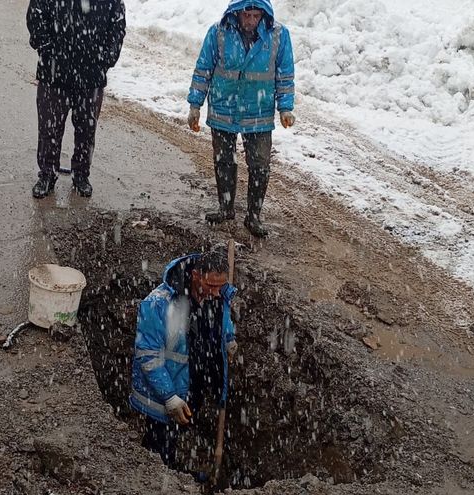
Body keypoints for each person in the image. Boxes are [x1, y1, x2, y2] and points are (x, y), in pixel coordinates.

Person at [187, 0, 295, 238]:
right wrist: (195, 104)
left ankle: (253, 216)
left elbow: (284, 74)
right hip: (223, 107)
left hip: (258, 111)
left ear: (263, 14)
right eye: (247, 15)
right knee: (224, 161)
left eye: (256, 16)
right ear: (236, 12)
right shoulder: (218, 32)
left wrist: (285, 108)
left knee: (260, 166)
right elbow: (203, 68)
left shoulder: (278, 35)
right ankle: (225, 208)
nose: (251, 21)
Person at [129, 249, 238, 469]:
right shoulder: (158, 304)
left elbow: (222, 318)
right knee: (160, 441)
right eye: (212, 286)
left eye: (221, 286)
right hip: (165, 389)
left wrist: (228, 338)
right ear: (196, 275)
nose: (217, 293)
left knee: (180, 429)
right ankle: (158, 474)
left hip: (193, 382)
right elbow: (148, 355)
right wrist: (169, 397)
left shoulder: (218, 294)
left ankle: (177, 466)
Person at [26, 0, 126, 198]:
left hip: (91, 77)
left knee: (86, 131)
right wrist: (47, 48)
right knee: (49, 129)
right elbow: (35, 14)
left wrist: (106, 58)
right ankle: (47, 174)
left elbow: (118, 25)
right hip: (53, 75)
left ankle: (81, 174)